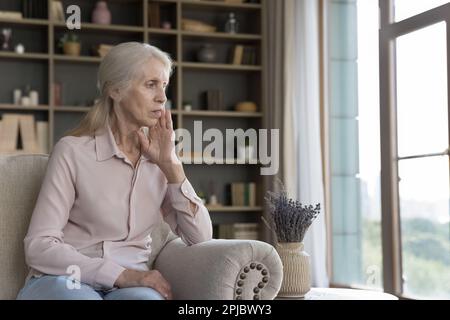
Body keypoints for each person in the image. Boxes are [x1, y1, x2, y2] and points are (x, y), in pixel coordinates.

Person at [16, 42, 213, 300]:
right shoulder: (72, 152)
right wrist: (122, 275)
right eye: (150, 84)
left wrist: (172, 166)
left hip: (132, 288)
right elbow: (39, 247)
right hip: (65, 279)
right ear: (115, 90)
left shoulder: (160, 161)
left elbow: (200, 238)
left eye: (164, 86)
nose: (162, 98)